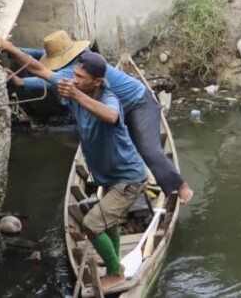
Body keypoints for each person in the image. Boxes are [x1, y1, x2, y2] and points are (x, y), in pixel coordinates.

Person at [0, 29, 193, 204]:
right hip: (113, 108)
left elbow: (38, 69)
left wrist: (8, 49)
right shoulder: (79, 62)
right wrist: (8, 49)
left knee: (148, 149)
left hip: (138, 103)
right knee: (117, 148)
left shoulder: (79, 70)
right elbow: (35, 57)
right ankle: (130, 184)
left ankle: (179, 186)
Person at [19, 48, 146, 291]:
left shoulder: (108, 98)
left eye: (80, 77)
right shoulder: (76, 88)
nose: (74, 80)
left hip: (129, 179)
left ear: (97, 82)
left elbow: (111, 116)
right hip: (110, 176)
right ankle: (114, 261)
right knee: (108, 223)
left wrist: (75, 94)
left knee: (91, 224)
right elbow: (39, 69)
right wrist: (6, 47)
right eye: (74, 75)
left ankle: (115, 272)